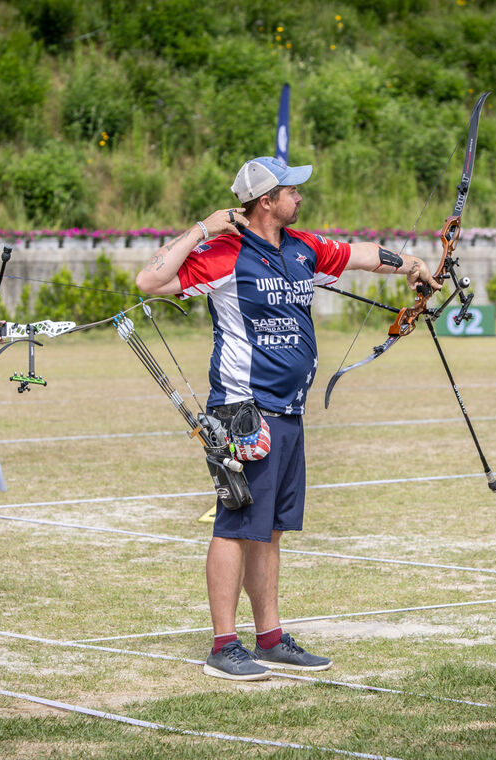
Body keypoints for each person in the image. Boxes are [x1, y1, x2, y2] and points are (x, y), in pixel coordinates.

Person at [135, 156, 441, 680]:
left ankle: (271, 637)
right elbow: (150, 280)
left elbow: (363, 255)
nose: (300, 196)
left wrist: (413, 264)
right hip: (242, 413)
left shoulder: (305, 247)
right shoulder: (224, 253)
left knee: (271, 529)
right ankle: (224, 645)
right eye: (290, 190)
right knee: (234, 524)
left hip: (289, 411)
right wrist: (203, 227)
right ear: (265, 200)